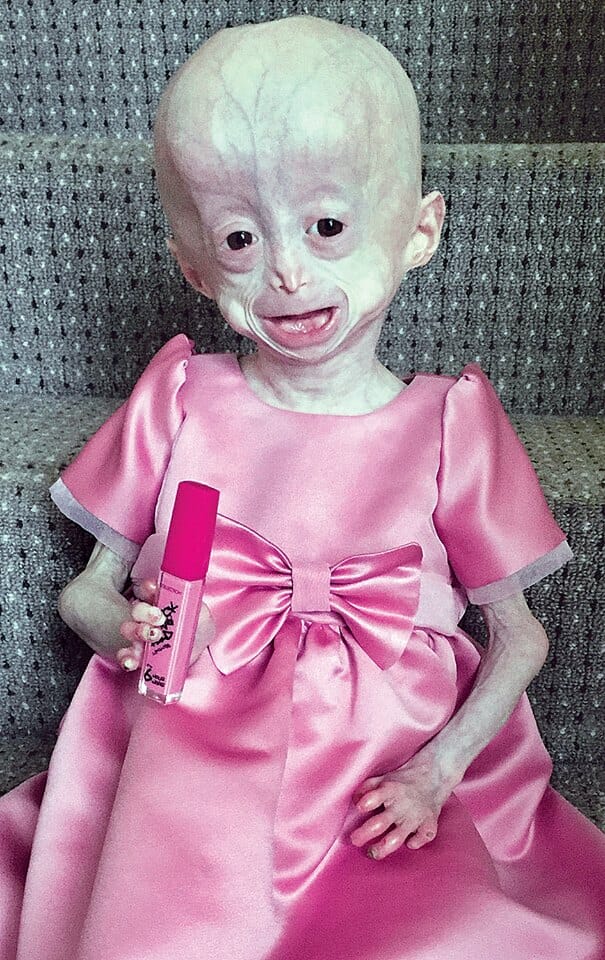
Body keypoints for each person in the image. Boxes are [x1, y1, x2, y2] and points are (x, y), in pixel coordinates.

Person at [1, 14, 604, 960]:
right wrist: (117, 624)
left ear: (419, 230)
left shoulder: (450, 419)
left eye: (327, 227)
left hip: (386, 759)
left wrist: (436, 773)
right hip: (192, 737)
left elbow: (520, 637)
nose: (286, 270)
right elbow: (85, 590)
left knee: (436, 931)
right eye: (240, 238)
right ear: (194, 265)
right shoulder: (182, 394)